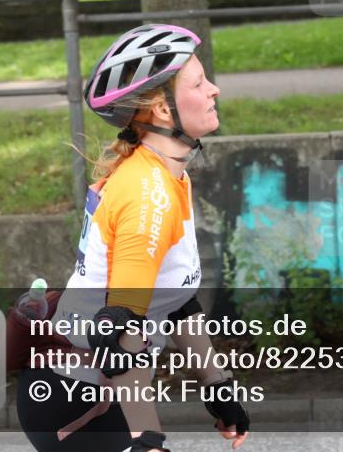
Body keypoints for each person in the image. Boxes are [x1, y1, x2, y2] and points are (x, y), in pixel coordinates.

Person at [16, 24, 250, 452]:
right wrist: (149, 440)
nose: (214, 89)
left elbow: (177, 301)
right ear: (162, 111)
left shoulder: (165, 175)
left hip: (97, 391)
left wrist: (217, 386)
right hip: (79, 403)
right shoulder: (148, 195)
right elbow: (119, 332)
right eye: (199, 83)